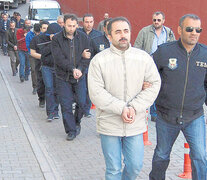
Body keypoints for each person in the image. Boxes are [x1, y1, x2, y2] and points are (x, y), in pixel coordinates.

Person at [88, 17, 161, 180]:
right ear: (109, 35)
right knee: (113, 169)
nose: (123, 35)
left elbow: (155, 83)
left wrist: (134, 107)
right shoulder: (99, 61)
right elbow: (96, 92)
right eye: (118, 32)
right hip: (109, 122)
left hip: (135, 122)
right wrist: (121, 108)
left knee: (135, 166)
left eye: (126, 31)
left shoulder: (143, 58)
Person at [149, 14, 207, 180]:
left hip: (194, 116)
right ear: (180, 30)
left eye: (198, 29)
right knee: (161, 155)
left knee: (200, 157)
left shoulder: (205, 54)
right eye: (189, 29)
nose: (194, 33)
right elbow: (151, 77)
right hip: (166, 116)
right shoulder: (164, 52)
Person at [51, 14, 90, 141]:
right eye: (69, 26)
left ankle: (76, 121)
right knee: (66, 105)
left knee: (82, 102)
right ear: (63, 24)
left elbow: (87, 57)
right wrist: (72, 69)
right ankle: (71, 130)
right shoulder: (57, 39)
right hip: (63, 77)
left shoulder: (83, 38)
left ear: (77, 26)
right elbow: (59, 59)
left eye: (74, 26)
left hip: (80, 76)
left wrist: (80, 69)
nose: (71, 28)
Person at [134, 11, 175, 122]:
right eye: (154, 20)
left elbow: (174, 47)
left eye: (159, 20)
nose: (156, 22)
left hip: (165, 65)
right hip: (149, 64)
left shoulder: (169, 32)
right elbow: (137, 47)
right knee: (152, 88)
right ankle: (153, 113)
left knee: (164, 87)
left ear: (163, 21)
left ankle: (163, 110)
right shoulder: (144, 31)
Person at [78, 13, 102, 117]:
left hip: (93, 66)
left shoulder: (98, 35)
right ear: (83, 22)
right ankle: (80, 108)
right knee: (80, 89)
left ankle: (86, 110)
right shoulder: (77, 33)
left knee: (89, 89)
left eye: (91, 22)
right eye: (86, 22)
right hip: (80, 65)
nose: (89, 24)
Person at [38, 23, 62, 121]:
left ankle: (56, 110)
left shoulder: (61, 41)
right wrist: (52, 43)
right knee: (49, 89)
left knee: (57, 90)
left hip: (57, 68)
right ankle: (50, 112)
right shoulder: (42, 39)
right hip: (46, 67)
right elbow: (43, 53)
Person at [30, 21, 49, 107]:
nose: (46, 30)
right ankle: (41, 98)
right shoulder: (36, 39)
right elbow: (32, 53)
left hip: (50, 65)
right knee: (41, 83)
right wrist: (43, 57)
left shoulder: (52, 39)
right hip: (40, 64)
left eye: (47, 28)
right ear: (40, 29)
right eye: (44, 28)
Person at [26, 23, 41, 94]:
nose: (38, 34)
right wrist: (33, 53)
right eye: (36, 32)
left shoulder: (42, 33)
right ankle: (35, 86)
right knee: (33, 70)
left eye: (39, 32)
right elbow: (28, 45)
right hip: (32, 55)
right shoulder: (29, 35)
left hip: (41, 54)